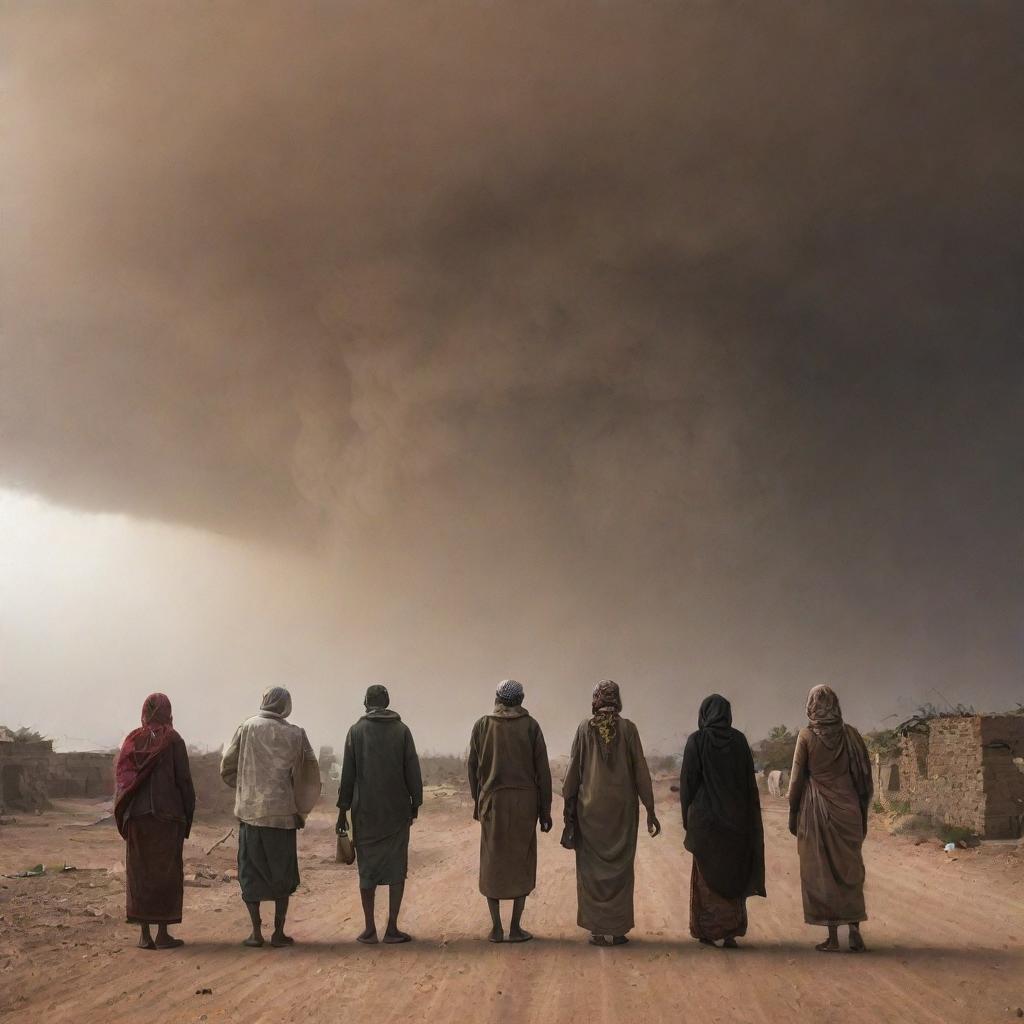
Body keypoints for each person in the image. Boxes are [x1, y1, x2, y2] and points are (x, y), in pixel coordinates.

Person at [562, 679, 660, 946]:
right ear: (617, 699)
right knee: (621, 870)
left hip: (589, 812)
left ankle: (596, 930)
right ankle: (617, 931)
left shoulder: (584, 728)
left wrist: (567, 807)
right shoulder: (629, 729)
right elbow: (641, 771)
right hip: (622, 814)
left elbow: (573, 771)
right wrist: (650, 808)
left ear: (596, 699)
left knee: (591, 871)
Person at [220, 687, 320, 948]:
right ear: (286, 705)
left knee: (250, 874)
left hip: (251, 814)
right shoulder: (296, 734)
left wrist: (245, 785)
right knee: (281, 875)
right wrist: (301, 807)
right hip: (283, 817)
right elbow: (310, 774)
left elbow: (227, 767)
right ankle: (278, 933)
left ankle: (255, 933)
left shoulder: (247, 727)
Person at [788, 684, 873, 952]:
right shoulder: (852, 736)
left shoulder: (805, 736)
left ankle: (833, 938)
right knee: (850, 870)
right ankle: (855, 929)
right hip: (848, 811)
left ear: (811, 705)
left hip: (817, 812)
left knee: (823, 873)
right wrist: (861, 812)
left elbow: (795, 781)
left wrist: (793, 813)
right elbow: (864, 779)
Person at [467, 679, 553, 943]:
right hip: (524, 804)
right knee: (521, 862)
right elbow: (543, 773)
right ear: (521, 700)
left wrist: (478, 801)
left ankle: (496, 928)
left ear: (497, 698)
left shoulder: (482, 725)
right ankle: (515, 928)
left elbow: (473, 769)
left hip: (492, 802)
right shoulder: (531, 727)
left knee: (492, 862)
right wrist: (544, 810)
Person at [336, 684, 422, 944]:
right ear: (387, 702)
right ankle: (392, 928)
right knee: (397, 869)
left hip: (365, 814)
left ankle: (369, 929)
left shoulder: (356, 732)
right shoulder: (402, 731)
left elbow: (347, 776)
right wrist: (415, 804)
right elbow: (413, 771)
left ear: (366, 702)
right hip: (396, 812)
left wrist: (342, 812)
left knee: (367, 870)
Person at [679, 694, 766, 948]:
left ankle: (707, 931)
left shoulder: (696, 741)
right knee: (733, 874)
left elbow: (688, 785)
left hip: (706, 823)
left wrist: (688, 819)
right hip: (737, 822)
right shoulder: (739, 742)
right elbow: (749, 785)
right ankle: (730, 932)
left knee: (707, 876)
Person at [114, 693, 195, 951]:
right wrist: (187, 816)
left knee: (140, 875)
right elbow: (184, 781)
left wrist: (124, 815)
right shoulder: (173, 739)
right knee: (166, 874)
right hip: (167, 818)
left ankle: (144, 935)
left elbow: (122, 780)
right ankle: (163, 934)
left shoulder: (131, 740)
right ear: (167, 711)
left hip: (137, 818)